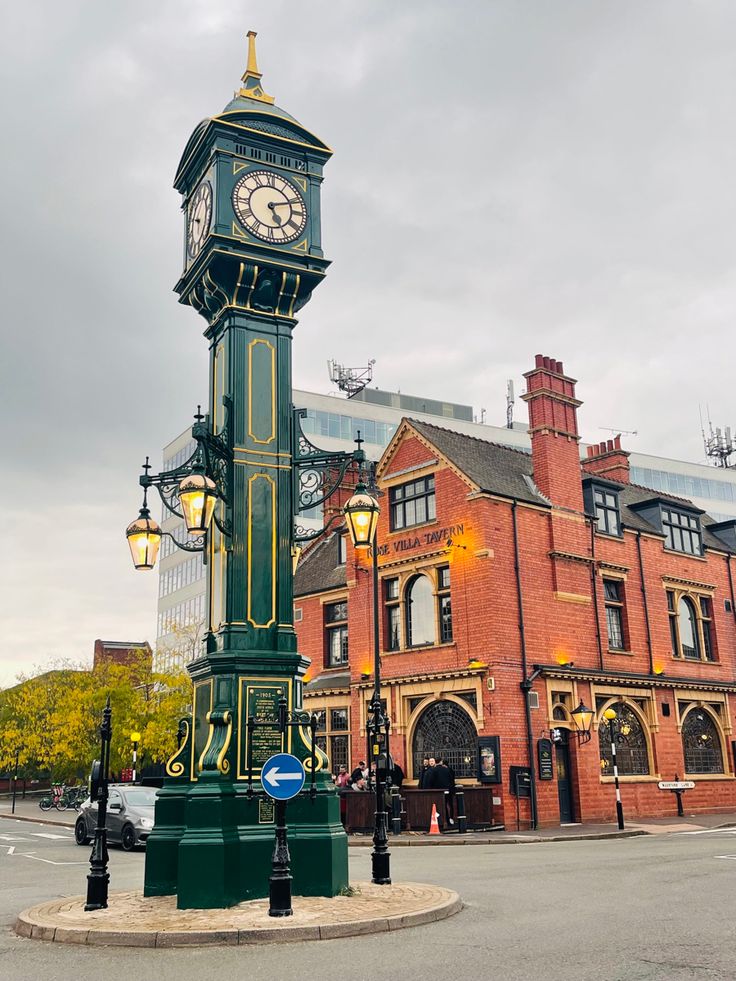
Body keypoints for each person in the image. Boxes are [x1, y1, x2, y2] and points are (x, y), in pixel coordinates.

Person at [435, 758, 456, 825]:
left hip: (441, 790)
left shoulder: (436, 770)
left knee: (444, 805)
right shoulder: (448, 770)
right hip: (449, 789)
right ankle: (451, 818)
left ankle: (447, 819)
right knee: (450, 804)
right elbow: (452, 780)